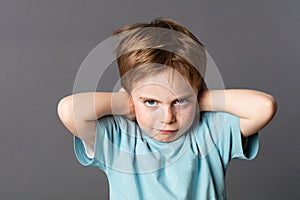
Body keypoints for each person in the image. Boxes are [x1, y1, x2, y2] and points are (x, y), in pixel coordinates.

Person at [57, 17, 277, 199]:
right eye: (151, 102)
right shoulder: (119, 139)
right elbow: (69, 110)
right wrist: (125, 104)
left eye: (179, 102)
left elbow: (264, 107)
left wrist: (198, 98)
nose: (168, 117)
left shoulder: (210, 133)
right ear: (131, 99)